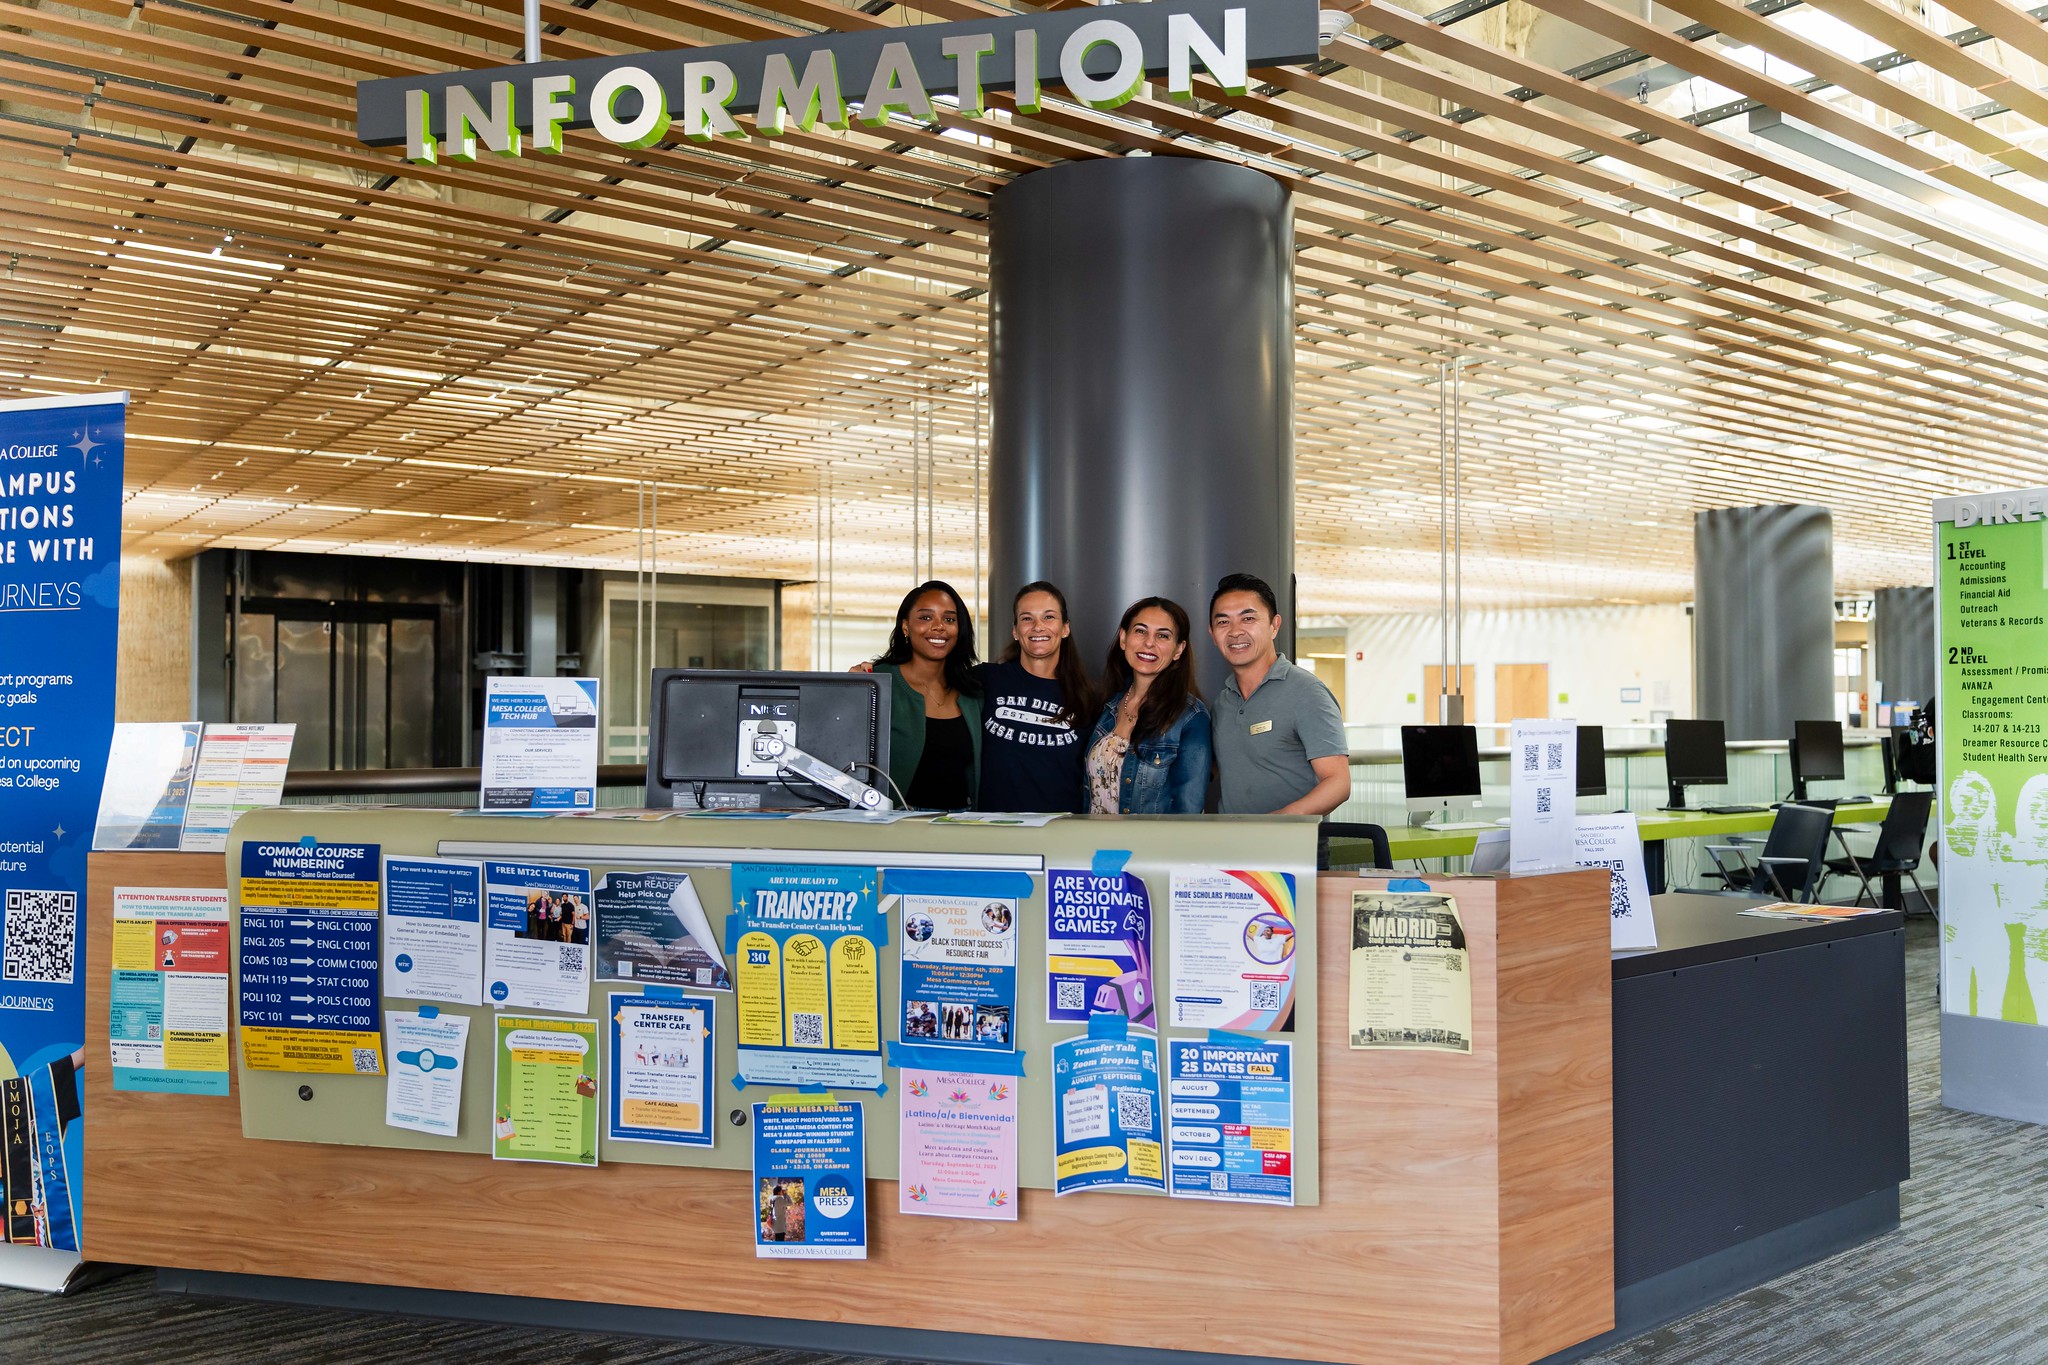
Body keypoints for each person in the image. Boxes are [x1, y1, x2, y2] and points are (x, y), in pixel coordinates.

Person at [1206, 573, 1350, 815]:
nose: (1235, 631)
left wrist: (1279, 823)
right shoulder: (1223, 702)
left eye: (1248, 618)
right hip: (1233, 846)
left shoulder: (1307, 692)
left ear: (1275, 626)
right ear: (1212, 634)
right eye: (1223, 622)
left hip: (1294, 848)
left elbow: (1338, 783)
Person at [862, 580, 983, 810]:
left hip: (962, 823)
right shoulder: (878, 683)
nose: (939, 627)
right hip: (896, 824)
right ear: (905, 627)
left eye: (949, 619)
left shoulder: (972, 691)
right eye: (926, 617)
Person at [1086, 597, 1212, 814]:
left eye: (1163, 635)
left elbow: (1188, 811)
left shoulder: (1191, 717)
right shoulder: (1107, 706)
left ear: (1178, 650)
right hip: (1095, 845)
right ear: (1124, 639)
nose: (1149, 643)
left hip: (1149, 847)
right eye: (1140, 631)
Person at [975, 581, 1092, 813]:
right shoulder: (985, 679)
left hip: (1061, 833)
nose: (1038, 626)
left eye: (1049, 617)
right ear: (1016, 631)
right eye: (1027, 618)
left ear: (1065, 628)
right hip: (993, 831)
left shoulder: (1088, 698)